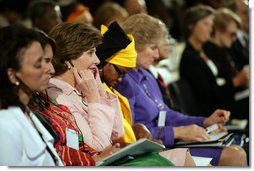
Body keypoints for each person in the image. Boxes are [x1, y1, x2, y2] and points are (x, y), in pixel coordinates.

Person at [114, 13, 247, 166]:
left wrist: (204, 121)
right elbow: (133, 133)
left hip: (167, 143)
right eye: (152, 48)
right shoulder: (122, 81)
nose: (157, 55)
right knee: (234, 155)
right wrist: (177, 132)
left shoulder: (146, 74)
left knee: (235, 151)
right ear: (134, 46)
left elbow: (167, 114)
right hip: (151, 150)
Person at [46, 22, 124, 152]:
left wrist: (99, 90)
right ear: (68, 58)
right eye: (90, 53)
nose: (98, 60)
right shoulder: (58, 97)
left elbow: (116, 132)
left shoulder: (81, 88)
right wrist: (93, 99)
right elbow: (98, 147)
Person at [0, 25, 63, 166]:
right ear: (12, 75)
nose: (50, 69)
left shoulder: (26, 112)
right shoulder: (4, 125)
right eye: (38, 63)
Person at [203, 8, 249, 119]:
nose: (234, 39)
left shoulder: (225, 50)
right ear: (218, 30)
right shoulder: (209, 51)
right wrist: (239, 80)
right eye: (232, 34)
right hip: (222, 109)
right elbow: (214, 93)